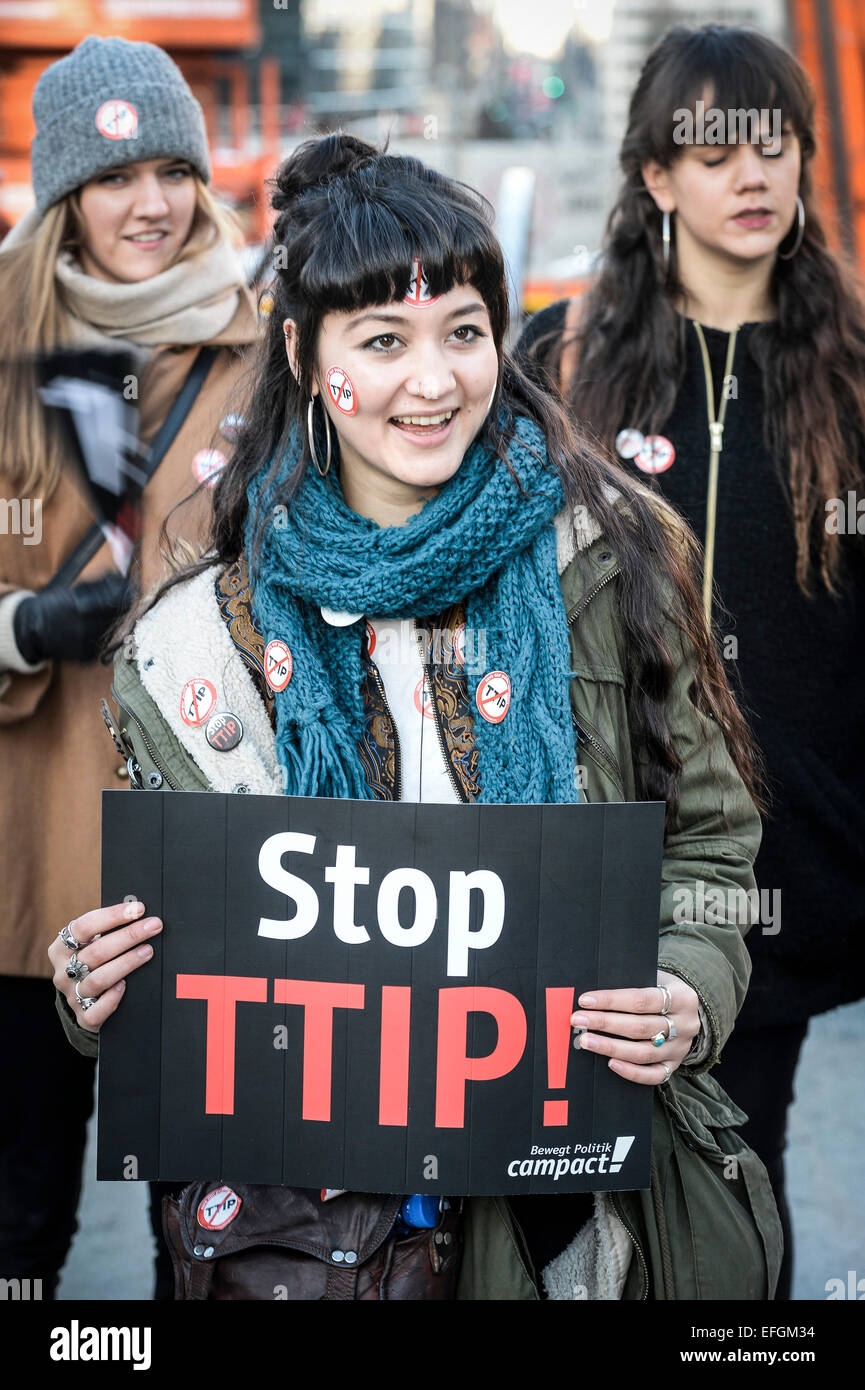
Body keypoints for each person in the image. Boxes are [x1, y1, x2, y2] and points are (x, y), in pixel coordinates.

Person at [49, 132, 781, 1300]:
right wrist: (100, 989)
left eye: (463, 334)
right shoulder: (198, 643)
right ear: (301, 351)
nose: (432, 382)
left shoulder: (610, 559)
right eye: (382, 342)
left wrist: (685, 982)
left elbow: (711, 844)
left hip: (574, 1226)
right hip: (327, 1244)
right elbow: (179, 954)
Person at [517, 22, 865, 1300]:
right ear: (654, 176)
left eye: (775, 142)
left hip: (777, 873)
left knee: (731, 1189)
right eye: (715, 147)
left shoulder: (853, 378)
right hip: (573, 856)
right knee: (560, 1198)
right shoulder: (555, 361)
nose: (753, 171)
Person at [0, 35, 260, 1299]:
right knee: (15, 1224)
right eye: (112, 178)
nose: (148, 204)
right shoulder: (5, 347)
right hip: (30, 857)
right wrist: (26, 625)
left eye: (170, 170)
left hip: (198, 858)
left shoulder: (262, 346)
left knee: (205, 1225)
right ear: (64, 196)